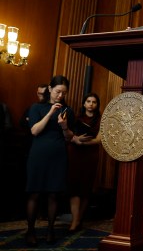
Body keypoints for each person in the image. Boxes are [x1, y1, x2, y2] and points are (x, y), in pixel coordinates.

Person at [25, 75, 74, 246]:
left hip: (58, 156)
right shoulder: (36, 107)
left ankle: (50, 230)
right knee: (35, 193)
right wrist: (51, 112)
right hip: (38, 155)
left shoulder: (68, 110)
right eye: (58, 91)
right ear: (50, 89)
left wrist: (64, 126)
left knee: (54, 194)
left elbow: (69, 138)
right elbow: (34, 131)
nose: (60, 95)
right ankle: (30, 231)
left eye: (64, 93)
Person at [67, 93, 102, 233]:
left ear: (97, 105)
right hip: (75, 154)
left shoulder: (101, 119)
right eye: (88, 101)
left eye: (94, 102)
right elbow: (69, 136)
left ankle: (78, 219)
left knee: (85, 189)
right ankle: (75, 221)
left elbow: (99, 140)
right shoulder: (76, 118)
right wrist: (76, 139)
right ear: (84, 103)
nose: (91, 104)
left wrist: (81, 142)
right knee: (74, 187)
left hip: (90, 155)